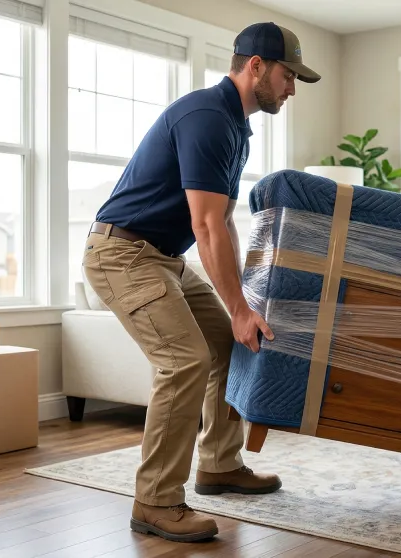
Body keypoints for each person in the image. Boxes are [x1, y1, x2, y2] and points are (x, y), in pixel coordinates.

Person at [81, 22, 321, 543]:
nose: (292, 88)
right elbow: (206, 226)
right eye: (287, 75)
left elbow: (224, 221)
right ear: (255, 65)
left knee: (230, 346)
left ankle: (218, 464)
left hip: (163, 258)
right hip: (121, 254)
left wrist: (244, 303)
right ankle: (156, 501)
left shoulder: (236, 128)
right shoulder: (207, 117)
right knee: (184, 358)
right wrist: (237, 307)